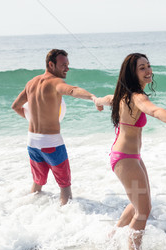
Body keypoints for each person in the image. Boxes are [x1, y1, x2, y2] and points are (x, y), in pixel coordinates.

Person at [94, 53, 166, 250]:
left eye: (148, 65)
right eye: (142, 68)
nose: (148, 70)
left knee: (138, 203)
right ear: (132, 73)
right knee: (143, 210)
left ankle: (112, 237)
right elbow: (155, 111)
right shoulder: (137, 97)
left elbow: (106, 99)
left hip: (128, 157)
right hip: (125, 158)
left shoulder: (122, 95)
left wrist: (97, 101)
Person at [12, 49, 102, 205]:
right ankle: (67, 218)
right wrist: (93, 97)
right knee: (65, 186)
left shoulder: (31, 83)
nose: (67, 68)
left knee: (37, 183)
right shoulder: (56, 82)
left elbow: (16, 106)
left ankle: (28, 209)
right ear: (51, 64)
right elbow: (72, 90)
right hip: (51, 144)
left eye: (68, 64)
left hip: (32, 143)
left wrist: (35, 120)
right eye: (63, 65)